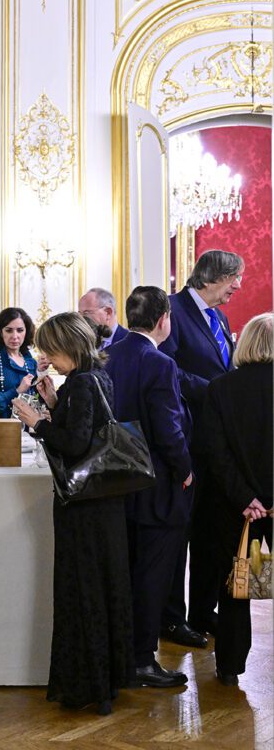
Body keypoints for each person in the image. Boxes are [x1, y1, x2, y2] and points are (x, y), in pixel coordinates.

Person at [14, 313, 134, 716]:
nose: (47, 357)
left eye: (51, 349)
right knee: (102, 586)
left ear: (69, 346)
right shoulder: (95, 377)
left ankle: (87, 684)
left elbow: (75, 444)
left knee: (81, 590)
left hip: (83, 507)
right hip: (103, 504)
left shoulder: (81, 383)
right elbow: (87, 429)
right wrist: (53, 403)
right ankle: (106, 681)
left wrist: (37, 422)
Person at [105, 287, 193, 688]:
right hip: (157, 484)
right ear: (163, 320)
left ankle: (122, 655)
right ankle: (141, 660)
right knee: (153, 577)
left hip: (116, 480)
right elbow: (168, 427)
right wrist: (185, 469)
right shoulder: (158, 362)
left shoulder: (107, 356)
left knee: (125, 572)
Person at [159, 249, 244, 644]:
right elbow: (166, 369)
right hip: (185, 440)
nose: (237, 286)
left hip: (216, 445)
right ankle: (172, 620)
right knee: (180, 535)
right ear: (211, 278)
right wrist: (214, 391)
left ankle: (202, 612)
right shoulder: (171, 311)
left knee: (210, 533)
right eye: (233, 278)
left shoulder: (220, 318)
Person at [204, 312, 273, 686]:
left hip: (236, 508)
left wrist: (246, 498)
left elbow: (215, 452)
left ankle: (229, 666)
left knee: (235, 587)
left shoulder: (220, 388)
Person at [0, 307, 37, 416]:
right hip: (2, 425)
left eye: (20, 330)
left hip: (32, 425)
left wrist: (43, 374)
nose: (15, 336)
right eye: (9, 330)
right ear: (1, 332)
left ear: (26, 332)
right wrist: (17, 391)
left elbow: (38, 400)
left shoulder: (31, 362)